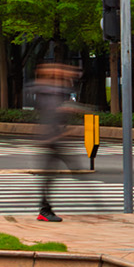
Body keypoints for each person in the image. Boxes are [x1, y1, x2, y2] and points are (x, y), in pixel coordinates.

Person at [31, 56, 77, 224]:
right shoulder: (45, 89)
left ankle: (44, 209)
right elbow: (52, 112)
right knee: (51, 175)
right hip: (51, 139)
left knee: (52, 175)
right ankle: (44, 210)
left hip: (55, 138)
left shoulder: (53, 89)